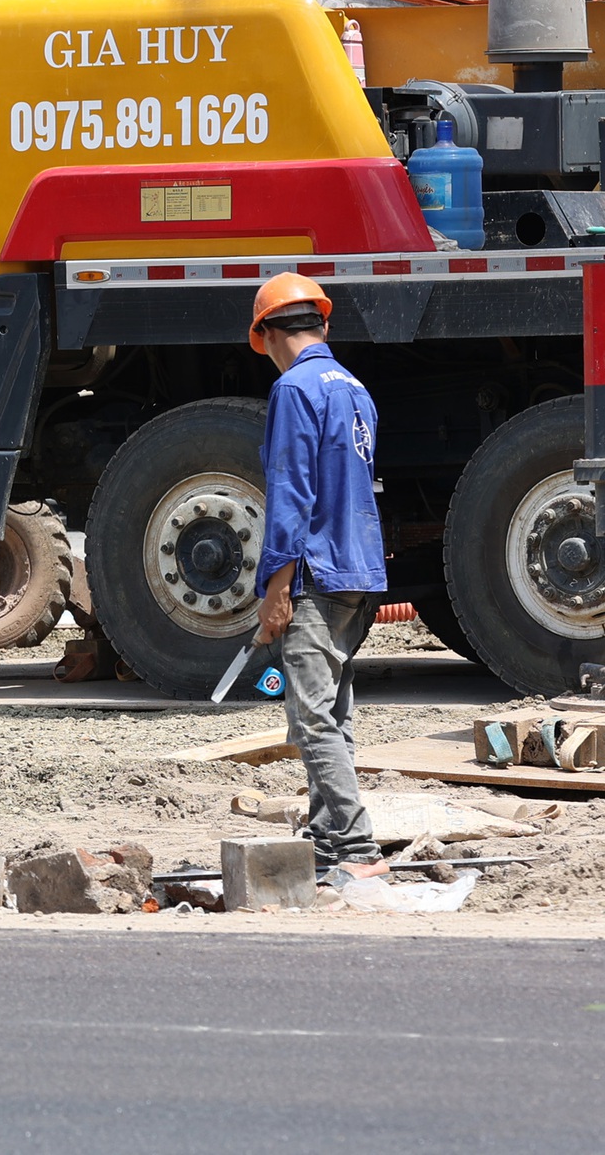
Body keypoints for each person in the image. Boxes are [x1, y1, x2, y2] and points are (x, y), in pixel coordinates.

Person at [248, 273, 390, 880]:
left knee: (309, 717)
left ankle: (356, 848)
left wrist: (274, 588)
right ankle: (328, 841)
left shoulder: (294, 389)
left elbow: (290, 492)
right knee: (335, 714)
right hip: (359, 567)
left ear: (267, 334)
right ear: (323, 324)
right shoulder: (356, 389)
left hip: (315, 571)